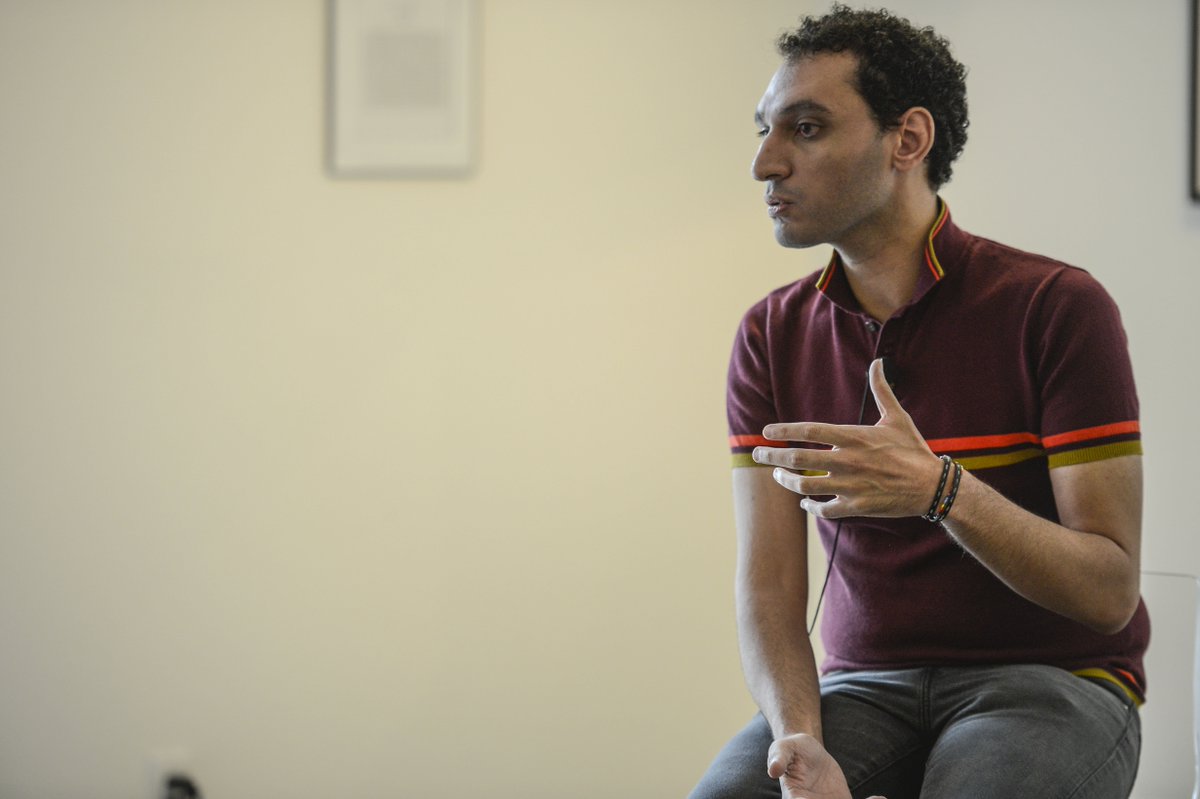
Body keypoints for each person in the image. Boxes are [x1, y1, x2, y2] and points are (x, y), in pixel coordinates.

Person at [688, 6, 1147, 799]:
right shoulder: (771, 333)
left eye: (805, 129)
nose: (765, 163)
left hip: (1055, 679)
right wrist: (799, 736)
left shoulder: (1057, 306)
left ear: (907, 140)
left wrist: (941, 490)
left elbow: (1108, 593)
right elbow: (768, 588)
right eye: (765, 130)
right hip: (863, 688)